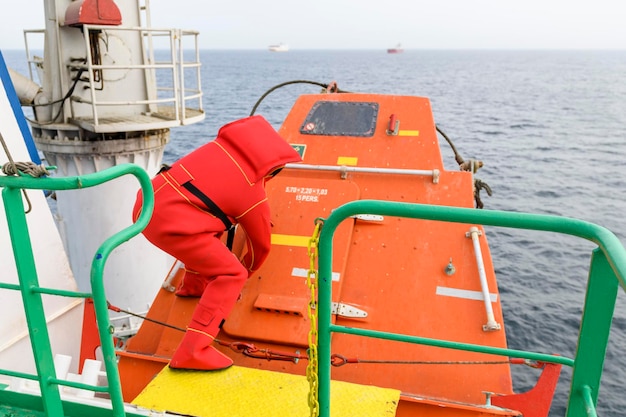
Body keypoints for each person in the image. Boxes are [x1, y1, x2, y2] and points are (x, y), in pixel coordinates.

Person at [132, 115, 302, 371]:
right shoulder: (252, 191)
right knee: (231, 273)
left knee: (208, 223)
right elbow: (260, 248)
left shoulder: (216, 149)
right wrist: (244, 271)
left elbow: (208, 197)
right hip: (171, 227)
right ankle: (193, 351)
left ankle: (192, 285)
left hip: (144, 205)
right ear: (271, 168)